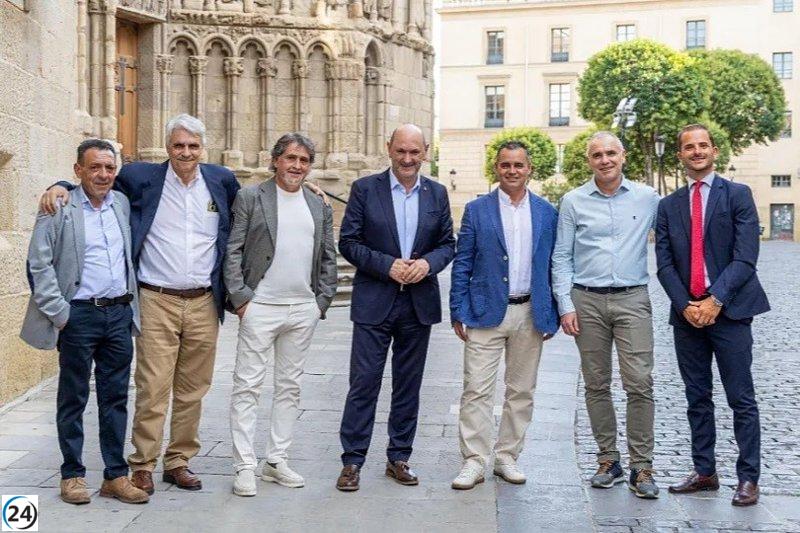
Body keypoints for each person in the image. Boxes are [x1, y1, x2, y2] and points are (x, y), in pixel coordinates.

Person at [39, 114, 240, 494]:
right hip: (155, 298)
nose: (185, 152)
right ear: (167, 147)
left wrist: (305, 186)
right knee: (152, 385)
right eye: (178, 145)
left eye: (193, 146)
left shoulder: (221, 180)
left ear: (203, 149)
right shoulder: (142, 178)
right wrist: (60, 186)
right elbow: (96, 181)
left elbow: (249, 210)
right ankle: (143, 463)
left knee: (193, 388)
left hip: (202, 301)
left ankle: (179, 460)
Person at [21, 139, 149, 505]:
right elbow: (39, 264)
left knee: (116, 398)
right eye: (95, 167)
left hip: (119, 315)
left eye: (109, 168)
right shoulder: (58, 205)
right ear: (78, 171)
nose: (103, 175)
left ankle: (115, 476)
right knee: (73, 397)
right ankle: (72, 475)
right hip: (79, 316)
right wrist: (60, 313)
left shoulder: (121, 204)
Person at [335, 124, 455, 491]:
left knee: (408, 385)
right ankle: (352, 461)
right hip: (375, 300)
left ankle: (399, 458)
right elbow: (349, 242)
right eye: (401, 151)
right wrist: (386, 264)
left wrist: (428, 264)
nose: (407, 159)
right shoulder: (364, 189)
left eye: (414, 152)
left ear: (425, 152)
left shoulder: (436, 193)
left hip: (417, 305)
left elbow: (448, 244)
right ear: (389, 149)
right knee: (364, 383)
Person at [656, 124, 769, 507]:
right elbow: (665, 264)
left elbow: (745, 257)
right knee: (696, 396)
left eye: (703, 145)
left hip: (731, 311)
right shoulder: (668, 205)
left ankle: (748, 477)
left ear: (714, 151)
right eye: (689, 147)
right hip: (686, 315)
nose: (697, 151)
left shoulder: (738, 195)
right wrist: (686, 305)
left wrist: (715, 300)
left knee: (741, 397)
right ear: (680, 155)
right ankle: (704, 471)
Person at [223, 133, 337, 497]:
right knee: (248, 386)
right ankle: (244, 465)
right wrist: (241, 299)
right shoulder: (251, 197)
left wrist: (320, 301)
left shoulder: (318, 203)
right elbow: (234, 250)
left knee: (289, 387)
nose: (297, 166)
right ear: (275, 160)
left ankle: (275, 460)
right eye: (290, 158)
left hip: (302, 308)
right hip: (260, 306)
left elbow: (328, 257)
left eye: (304, 160)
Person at [551, 131, 661, 499]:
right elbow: (561, 256)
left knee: (639, 383)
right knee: (596, 384)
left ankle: (642, 466)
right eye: (597, 154)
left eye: (611, 153)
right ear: (589, 161)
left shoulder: (647, 198)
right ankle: (608, 459)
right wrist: (566, 305)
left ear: (623, 156)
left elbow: (677, 238)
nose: (604, 160)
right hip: (588, 301)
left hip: (633, 299)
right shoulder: (573, 201)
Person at [449, 141, 559, 490]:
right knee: (476, 389)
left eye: (518, 165)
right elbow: (462, 260)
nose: (512, 171)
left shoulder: (546, 212)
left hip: (530, 312)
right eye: (505, 165)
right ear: (496, 168)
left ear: (530, 169)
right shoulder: (477, 209)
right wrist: (457, 307)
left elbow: (554, 265)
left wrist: (552, 311)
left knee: (521, 390)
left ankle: (507, 456)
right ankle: (474, 460)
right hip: (485, 312)